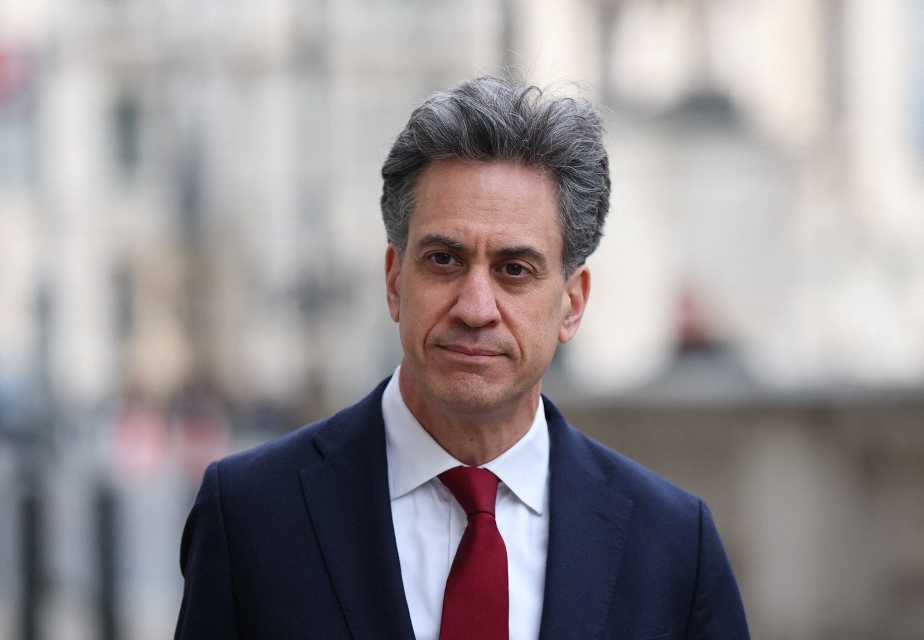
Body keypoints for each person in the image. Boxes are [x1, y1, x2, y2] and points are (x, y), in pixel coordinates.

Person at [175, 75, 750, 639]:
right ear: (395, 281)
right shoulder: (250, 515)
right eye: (444, 260)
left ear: (572, 304)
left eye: (514, 270)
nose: (476, 308)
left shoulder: (674, 544)